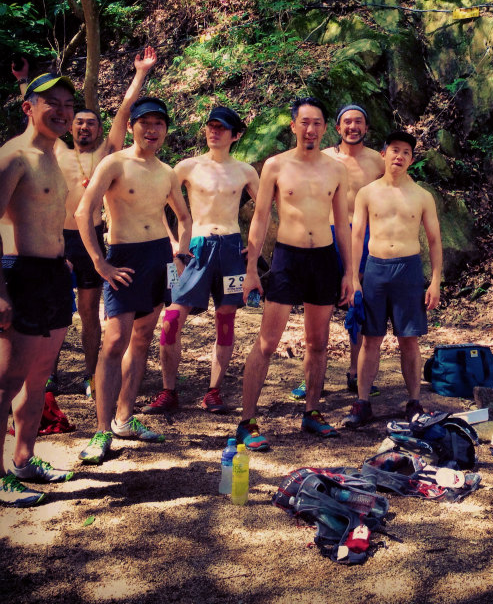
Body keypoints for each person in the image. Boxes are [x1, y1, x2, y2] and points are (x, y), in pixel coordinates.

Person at [76, 97, 192, 465]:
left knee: (141, 339)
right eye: (145, 123)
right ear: (131, 127)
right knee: (114, 342)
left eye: (159, 123)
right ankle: (101, 431)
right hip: (123, 257)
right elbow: (84, 211)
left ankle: (124, 419)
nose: (152, 130)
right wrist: (100, 263)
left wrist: (181, 253)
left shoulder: (167, 171)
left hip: (157, 257)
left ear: (165, 130)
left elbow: (184, 218)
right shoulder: (114, 163)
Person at [239, 97, 352, 447]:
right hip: (287, 259)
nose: (310, 129)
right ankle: (247, 421)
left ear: (325, 128)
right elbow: (260, 218)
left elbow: (343, 226)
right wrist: (252, 269)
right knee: (267, 342)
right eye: (304, 122)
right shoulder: (275, 165)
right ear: (293, 126)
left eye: (317, 123)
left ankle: (312, 412)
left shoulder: (336, 170)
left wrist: (350, 272)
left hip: (323, 259)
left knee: (318, 343)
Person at [52, 46, 158, 397]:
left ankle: (90, 373)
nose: (85, 127)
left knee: (88, 311)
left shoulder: (106, 154)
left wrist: (141, 73)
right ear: (70, 125)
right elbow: (38, 115)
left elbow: (125, 111)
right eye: (79, 122)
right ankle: (48, 374)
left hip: (91, 237)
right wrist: (24, 83)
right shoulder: (55, 150)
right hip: (53, 237)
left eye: (91, 123)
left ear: (99, 130)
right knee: (51, 310)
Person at [143, 106, 259, 416]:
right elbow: (155, 202)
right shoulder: (187, 167)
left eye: (221, 127)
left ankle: (214, 391)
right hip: (194, 249)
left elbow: (263, 214)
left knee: (226, 320)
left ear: (236, 135)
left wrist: (253, 250)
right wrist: (171, 240)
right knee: (170, 321)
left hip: (232, 250)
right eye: (210, 126)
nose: (214, 131)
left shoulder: (246, 171)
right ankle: (168, 391)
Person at [0, 73, 77, 505]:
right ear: (27, 107)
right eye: (51, 102)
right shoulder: (13, 157)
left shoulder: (55, 156)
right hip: (18, 274)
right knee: (6, 380)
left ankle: (25, 459)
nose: (62, 110)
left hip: (52, 275)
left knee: (38, 378)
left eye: (68, 102)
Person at [343, 130, 442, 428]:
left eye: (406, 153)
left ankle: (413, 401)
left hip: (408, 271)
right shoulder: (368, 192)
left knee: (408, 340)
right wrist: (354, 278)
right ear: (383, 154)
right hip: (374, 269)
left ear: (411, 160)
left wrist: (436, 280)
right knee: (370, 339)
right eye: (394, 150)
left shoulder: (422, 196)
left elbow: (435, 241)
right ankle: (362, 402)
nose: (399, 156)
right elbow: (356, 236)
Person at [288, 103, 383, 399]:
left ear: (366, 128)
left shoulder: (378, 162)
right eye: (347, 122)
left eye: (359, 122)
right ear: (338, 128)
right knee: (319, 310)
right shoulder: (325, 158)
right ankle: (313, 377)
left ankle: (355, 373)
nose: (353, 127)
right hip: (328, 236)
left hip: (367, 237)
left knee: (359, 306)